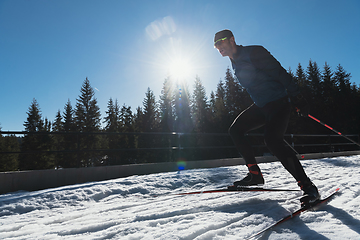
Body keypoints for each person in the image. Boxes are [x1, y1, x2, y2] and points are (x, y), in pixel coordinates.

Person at [214, 29, 320, 205]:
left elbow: (279, 72)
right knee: (236, 130)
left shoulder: (254, 52)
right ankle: (254, 174)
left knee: (272, 141)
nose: (219, 47)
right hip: (262, 106)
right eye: (215, 45)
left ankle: (309, 188)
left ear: (232, 39)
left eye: (221, 42)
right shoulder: (234, 62)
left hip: (279, 102)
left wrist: (297, 97)